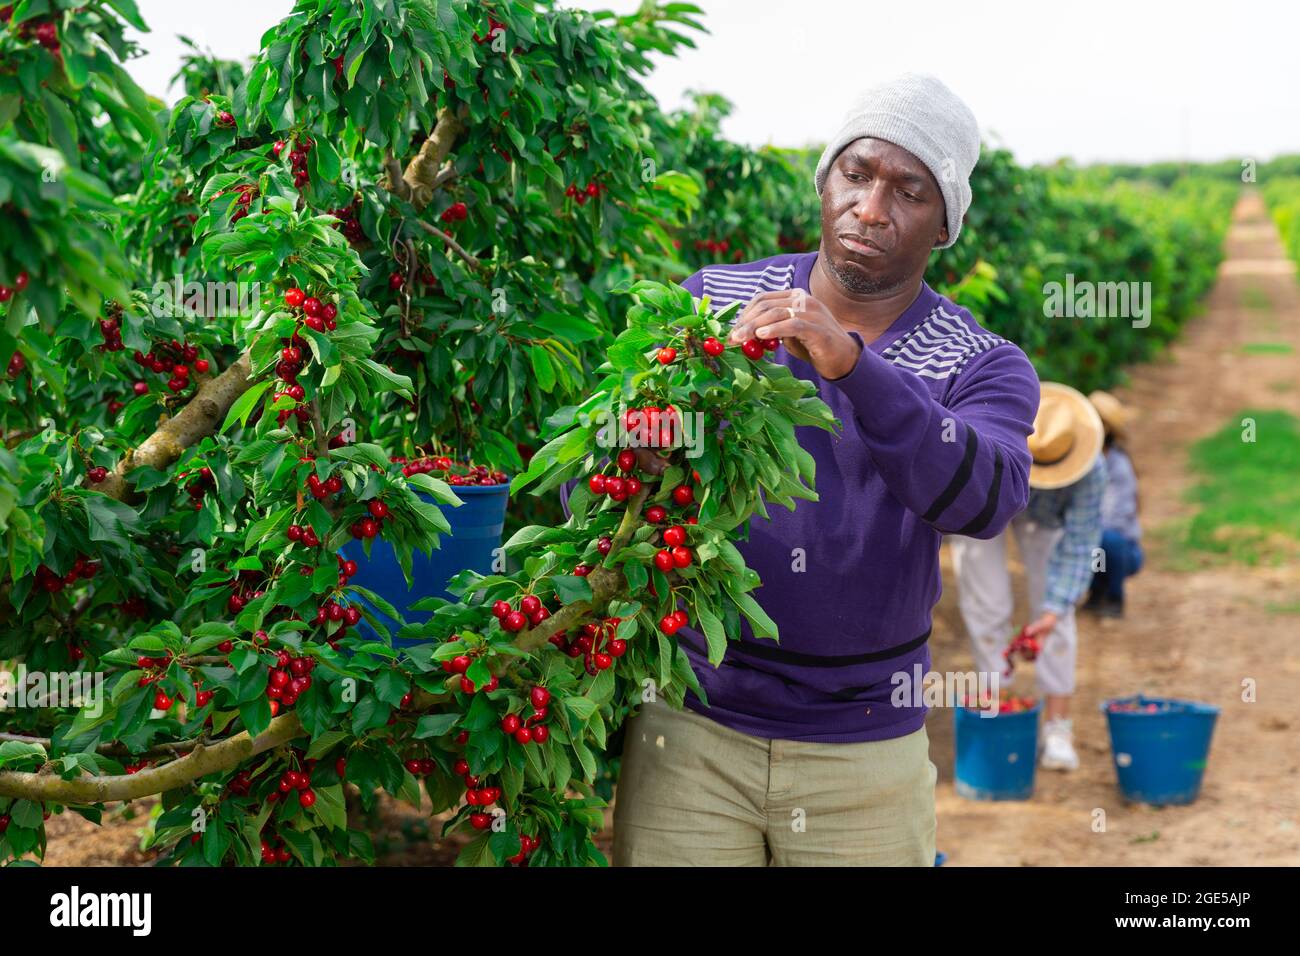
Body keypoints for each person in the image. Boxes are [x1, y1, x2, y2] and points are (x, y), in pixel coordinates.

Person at [563, 73, 1040, 865]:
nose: (872, 208)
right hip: (692, 730)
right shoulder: (715, 303)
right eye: (857, 175)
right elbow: (602, 481)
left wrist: (852, 365)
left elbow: (985, 498)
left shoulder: (980, 362)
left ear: (945, 222)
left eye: (909, 191)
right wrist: (633, 452)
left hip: (863, 751)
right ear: (825, 180)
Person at [949, 382, 1105, 772]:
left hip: (1045, 519)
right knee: (986, 601)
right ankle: (998, 708)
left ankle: (1057, 726)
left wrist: (1053, 610)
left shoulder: (1090, 471)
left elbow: (1081, 543)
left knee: (1056, 617)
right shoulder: (987, 444)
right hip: (986, 499)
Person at [1084, 390, 1142, 618]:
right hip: (1090, 540)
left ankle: (1113, 595)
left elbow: (1115, 518)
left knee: (1108, 539)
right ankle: (1095, 590)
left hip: (1121, 549)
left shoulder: (1118, 466)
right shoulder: (1079, 461)